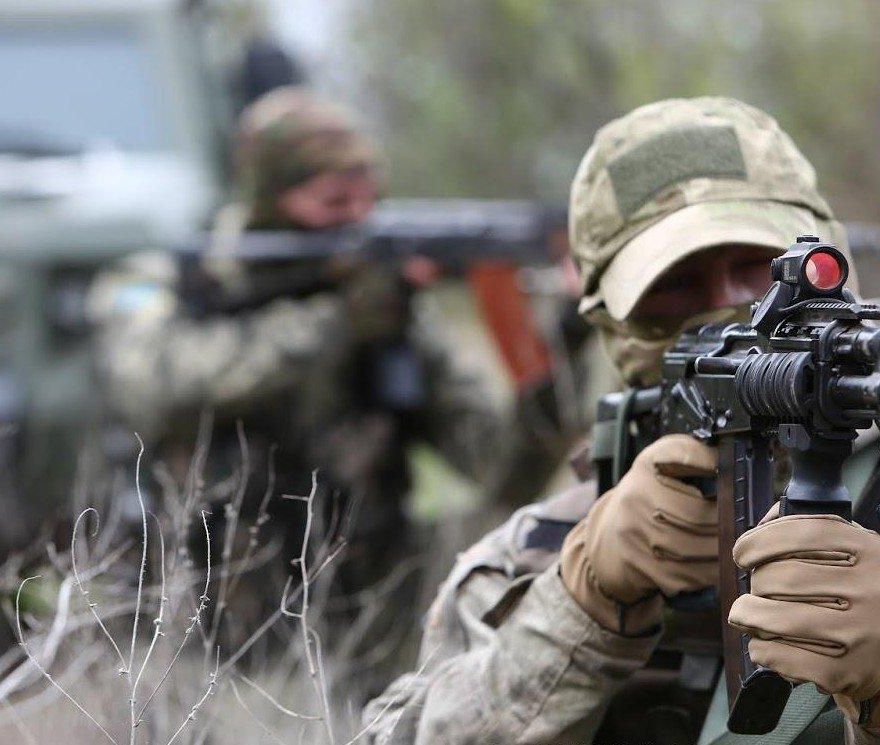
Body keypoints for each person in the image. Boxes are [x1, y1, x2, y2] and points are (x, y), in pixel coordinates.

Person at [361, 97, 880, 744]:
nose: (732, 305)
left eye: (759, 267)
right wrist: (580, 610)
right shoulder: (545, 550)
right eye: (675, 284)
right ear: (607, 321)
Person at [87, 87, 553, 680]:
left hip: (368, 624)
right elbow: (155, 388)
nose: (359, 218)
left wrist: (549, 361)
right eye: (334, 200)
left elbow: (498, 468)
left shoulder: (383, 309)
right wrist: (333, 328)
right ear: (269, 198)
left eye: (369, 198)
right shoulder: (172, 279)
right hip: (197, 633)